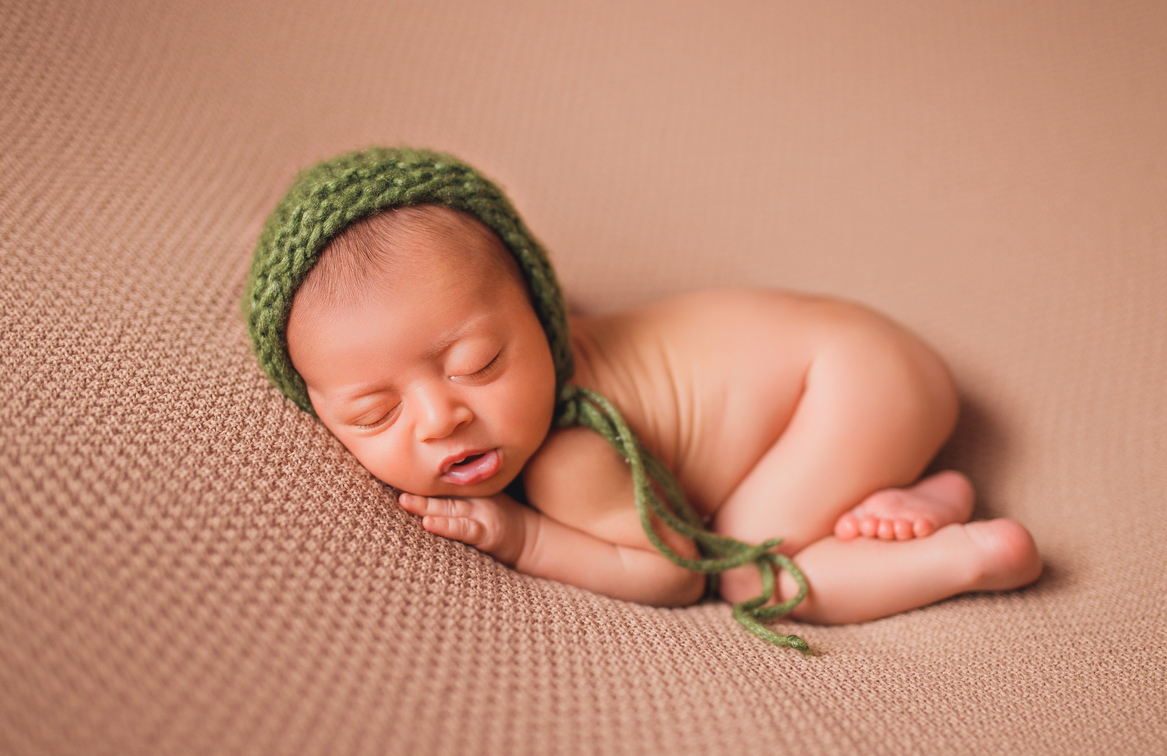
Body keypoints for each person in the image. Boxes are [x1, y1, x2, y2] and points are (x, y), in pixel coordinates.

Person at [245, 148, 1041, 648]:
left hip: (850, 382)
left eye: (478, 363)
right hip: (867, 360)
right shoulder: (514, 366)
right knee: (776, 507)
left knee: (753, 575)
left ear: (542, 313)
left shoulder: (569, 453)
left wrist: (523, 537)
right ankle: (917, 493)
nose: (439, 417)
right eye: (375, 414)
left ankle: (972, 556)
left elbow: (677, 574)